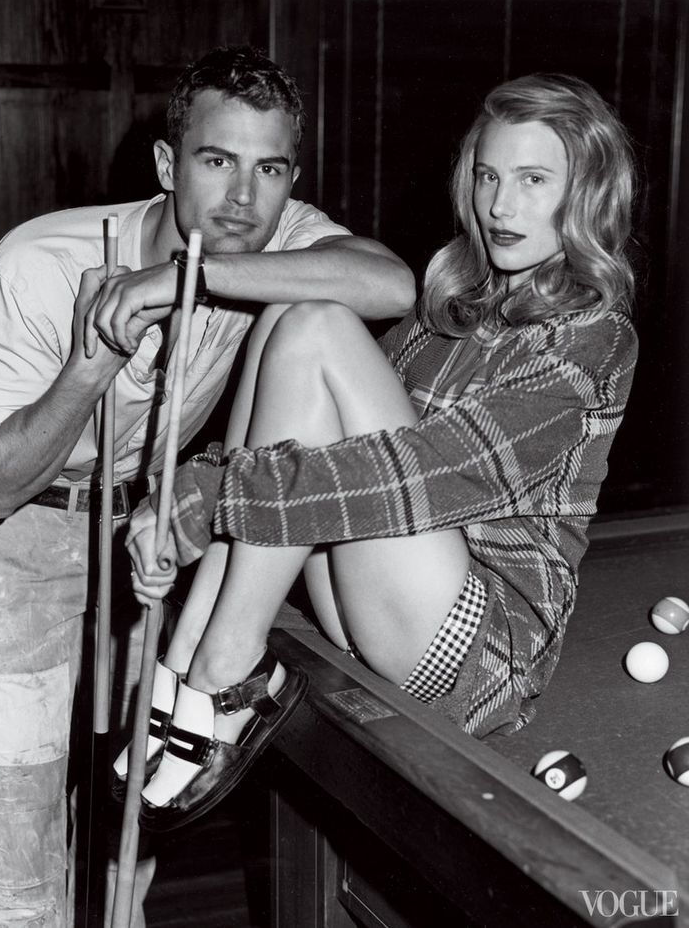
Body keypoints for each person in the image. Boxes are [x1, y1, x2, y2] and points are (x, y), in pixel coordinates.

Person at [0, 45, 413, 928]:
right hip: (34, 535)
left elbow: (389, 283)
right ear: (168, 165)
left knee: (136, 813)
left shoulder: (274, 238)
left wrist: (188, 278)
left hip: (151, 529)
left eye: (268, 167)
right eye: (216, 161)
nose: (244, 198)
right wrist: (90, 369)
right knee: (19, 826)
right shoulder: (38, 262)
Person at [117, 71, 639, 832]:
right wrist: (203, 498)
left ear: (587, 193)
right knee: (296, 317)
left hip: (478, 651)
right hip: (382, 596)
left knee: (321, 327)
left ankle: (225, 666)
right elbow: (312, 430)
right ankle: (194, 646)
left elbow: (421, 475)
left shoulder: (595, 336)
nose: (500, 205)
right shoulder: (453, 305)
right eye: (489, 176)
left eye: (534, 180)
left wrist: (215, 492)